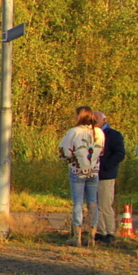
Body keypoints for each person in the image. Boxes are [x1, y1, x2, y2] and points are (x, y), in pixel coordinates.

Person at [58, 106, 105, 247]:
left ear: (79, 116)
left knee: (77, 203)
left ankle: (77, 237)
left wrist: (71, 160)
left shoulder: (73, 132)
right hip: (93, 171)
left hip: (77, 170)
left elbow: (64, 152)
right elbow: (101, 152)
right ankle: (91, 237)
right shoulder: (99, 132)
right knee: (92, 203)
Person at [94, 111, 126, 245]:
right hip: (91, 174)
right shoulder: (90, 134)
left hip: (106, 175)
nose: (94, 120)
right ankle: (100, 232)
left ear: (104, 119)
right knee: (95, 205)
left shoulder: (113, 135)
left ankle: (110, 232)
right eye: (92, 118)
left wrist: (106, 165)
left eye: (96, 118)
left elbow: (120, 153)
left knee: (105, 204)